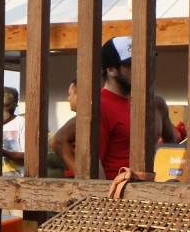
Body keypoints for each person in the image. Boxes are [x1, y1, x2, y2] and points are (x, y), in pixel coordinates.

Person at [50, 37, 176, 178]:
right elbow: (59, 141)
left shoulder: (155, 103)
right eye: (133, 64)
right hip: (118, 196)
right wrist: (99, 190)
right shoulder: (101, 105)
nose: (143, 68)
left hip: (148, 194)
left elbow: (171, 142)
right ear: (111, 70)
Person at [1, 87, 26, 177]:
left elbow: (28, 157)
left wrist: (4, 153)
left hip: (18, 182)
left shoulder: (21, 123)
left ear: (8, 106)